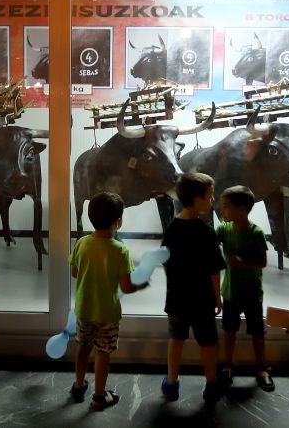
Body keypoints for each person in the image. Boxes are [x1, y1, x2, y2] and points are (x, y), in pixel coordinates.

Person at [69, 192, 149, 410]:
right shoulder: (120, 250)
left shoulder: (82, 243)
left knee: (83, 347)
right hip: (107, 313)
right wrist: (140, 284)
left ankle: (78, 385)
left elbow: (74, 272)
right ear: (118, 221)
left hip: (84, 309)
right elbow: (125, 286)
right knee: (103, 353)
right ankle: (98, 396)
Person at [160, 172, 227, 403]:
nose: (212, 200)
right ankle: (211, 383)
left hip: (177, 297)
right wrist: (217, 298)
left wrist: (172, 286)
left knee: (176, 339)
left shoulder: (171, 229)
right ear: (197, 200)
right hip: (202, 299)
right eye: (209, 196)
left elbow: (165, 262)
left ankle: (171, 382)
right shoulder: (207, 232)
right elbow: (213, 271)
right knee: (208, 342)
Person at [215, 185, 273, 392]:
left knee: (257, 332)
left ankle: (262, 368)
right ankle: (227, 366)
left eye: (226, 206)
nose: (222, 210)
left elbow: (262, 262)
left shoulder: (256, 233)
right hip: (230, 291)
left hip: (251, 292)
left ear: (241, 209)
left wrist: (240, 261)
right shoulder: (223, 228)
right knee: (229, 331)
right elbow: (211, 244)